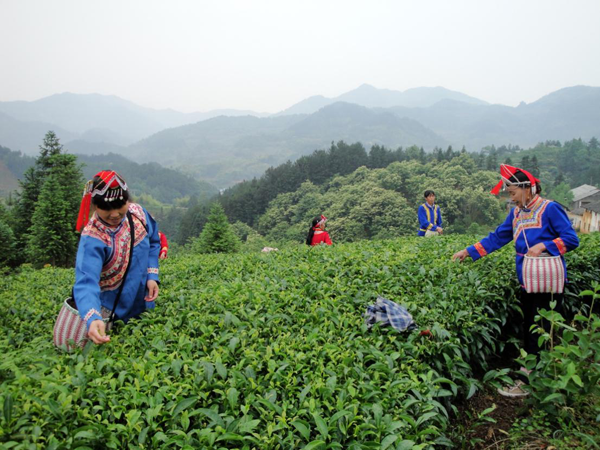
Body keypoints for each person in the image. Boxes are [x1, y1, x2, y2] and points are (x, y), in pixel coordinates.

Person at [452, 164, 579, 397]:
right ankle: (537, 375)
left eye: (513, 193)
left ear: (527, 188)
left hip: (548, 281)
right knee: (531, 328)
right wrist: (468, 251)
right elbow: (497, 238)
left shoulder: (550, 209)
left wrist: (544, 246)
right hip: (528, 281)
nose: (511, 198)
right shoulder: (516, 214)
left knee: (540, 331)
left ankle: (529, 382)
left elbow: (571, 239)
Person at [73, 170, 161, 345]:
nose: (114, 214)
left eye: (120, 205)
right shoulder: (93, 237)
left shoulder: (138, 214)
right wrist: (93, 317)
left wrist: (152, 276)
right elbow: (86, 281)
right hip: (113, 315)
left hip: (144, 305)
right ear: (95, 206)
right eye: (106, 208)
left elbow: (153, 242)